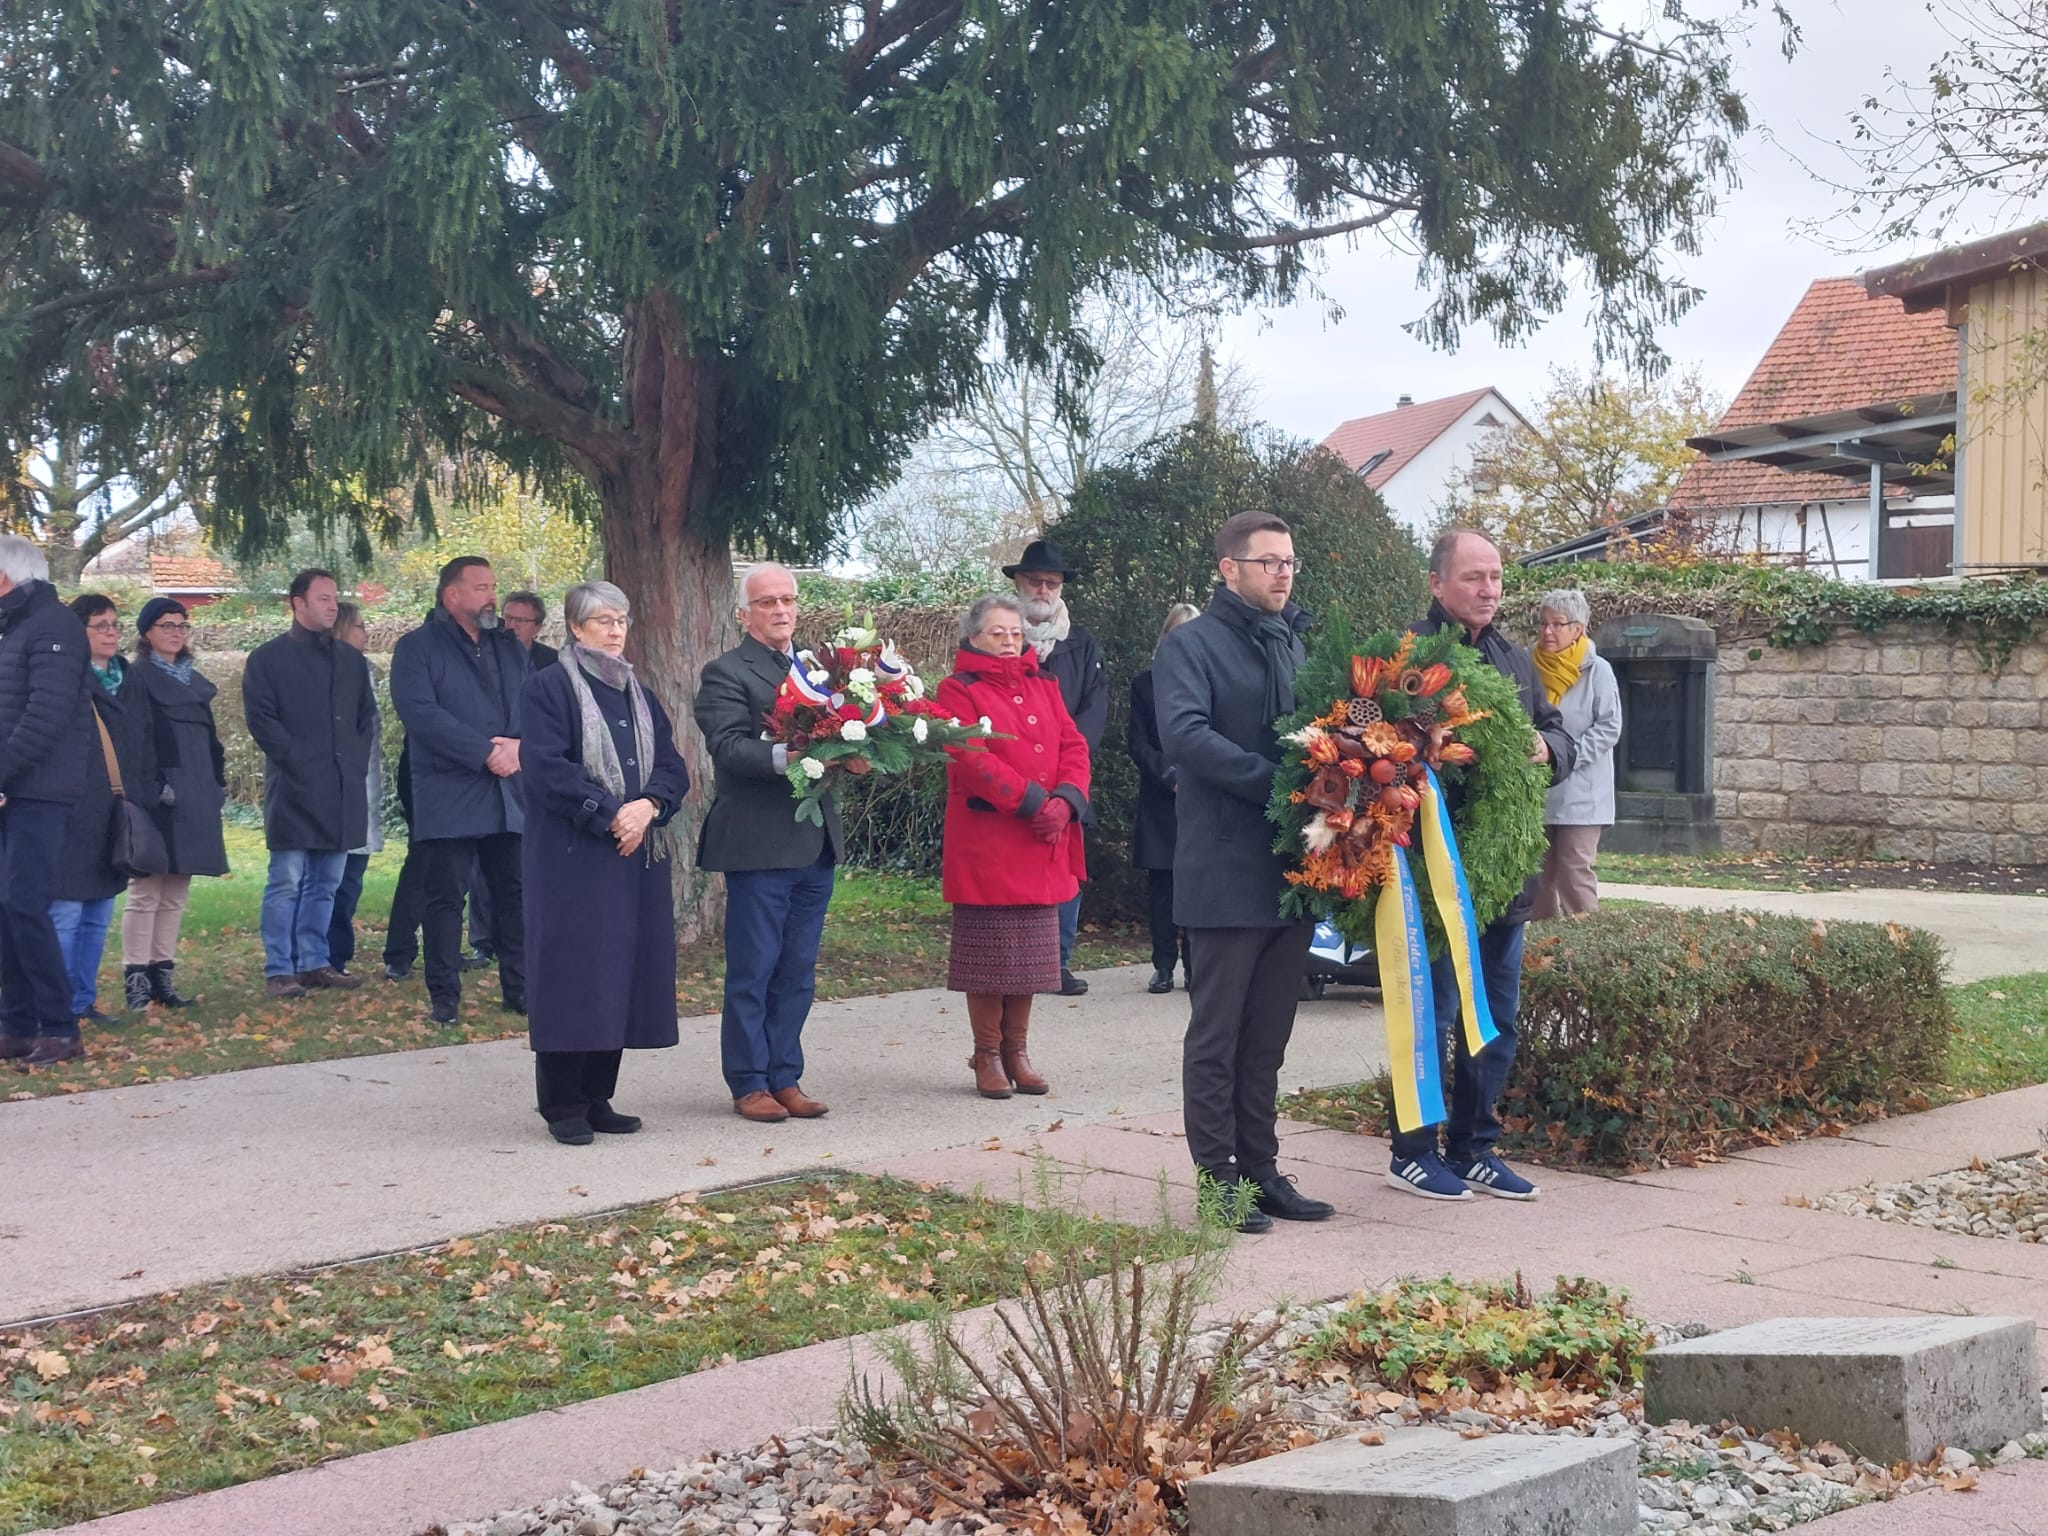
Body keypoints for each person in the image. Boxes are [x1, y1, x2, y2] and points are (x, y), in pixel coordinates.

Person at [1386, 530, 1576, 1203]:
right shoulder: (1407, 654)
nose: (1490, 589)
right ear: (1437, 583)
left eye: (1496, 576)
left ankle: (1474, 1148)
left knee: (1493, 1016)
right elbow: (1368, 738)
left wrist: (1546, 749)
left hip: (1504, 874)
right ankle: (1414, 1150)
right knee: (1433, 1015)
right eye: (1474, 577)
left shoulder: (1512, 659)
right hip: (1433, 873)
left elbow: (1559, 732)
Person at [1154, 511, 1331, 1233]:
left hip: (1291, 872)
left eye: (1290, 562)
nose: (1283, 573)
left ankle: (1261, 1171)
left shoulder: (1293, 642)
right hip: (1224, 869)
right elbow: (1186, 737)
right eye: (1269, 562)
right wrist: (1283, 784)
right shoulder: (1190, 646)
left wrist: (1372, 735)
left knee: (1268, 1037)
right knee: (1218, 1035)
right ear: (1229, 569)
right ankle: (1218, 1179)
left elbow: (1329, 725)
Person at [519, 581, 688, 1143]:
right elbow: (546, 769)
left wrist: (649, 806)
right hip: (574, 859)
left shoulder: (638, 692)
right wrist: (612, 813)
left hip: (633, 856)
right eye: (603, 621)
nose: (616, 631)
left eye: (621, 620)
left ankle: (598, 1097)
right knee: (574, 977)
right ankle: (562, 1105)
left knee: (618, 976)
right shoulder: (549, 688)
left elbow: (671, 764)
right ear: (574, 627)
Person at [693, 562, 838, 1124]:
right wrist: (798, 758)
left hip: (815, 841)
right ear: (744, 614)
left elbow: (846, 729)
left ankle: (786, 1076)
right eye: (767, 602)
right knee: (755, 968)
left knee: (798, 969)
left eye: (788, 599)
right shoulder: (726, 672)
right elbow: (729, 748)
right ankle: (749, 1082)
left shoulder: (820, 670)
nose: (781, 610)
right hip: (758, 843)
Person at [938, 594, 1090, 1099]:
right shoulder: (957, 689)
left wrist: (1066, 802)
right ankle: (985, 1055)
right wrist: (1032, 803)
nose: (1008, 641)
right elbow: (970, 759)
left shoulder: (1044, 684)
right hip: (991, 843)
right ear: (974, 637)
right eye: (997, 633)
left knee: (1029, 957)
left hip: (1044, 839)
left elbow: (1073, 745)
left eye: (1015, 633)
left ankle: (1017, 1052)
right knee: (989, 956)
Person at [389, 556, 530, 1024]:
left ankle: (521, 991)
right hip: (449, 789)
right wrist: (482, 751)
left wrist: (516, 746)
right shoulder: (417, 648)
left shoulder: (509, 648)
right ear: (452, 595)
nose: (492, 596)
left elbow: (534, 703)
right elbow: (421, 714)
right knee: (446, 897)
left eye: (493, 586)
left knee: (514, 894)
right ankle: (444, 999)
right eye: (481, 587)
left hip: (507, 792)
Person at [243, 570, 377, 997]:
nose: (332, 606)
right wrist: (299, 760)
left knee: (326, 883)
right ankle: (279, 968)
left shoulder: (350, 660)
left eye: (334, 598)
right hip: (296, 788)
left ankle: (315, 961)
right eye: (322, 598)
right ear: (297, 604)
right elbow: (262, 721)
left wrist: (352, 762)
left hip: (341, 787)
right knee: (286, 880)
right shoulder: (268, 660)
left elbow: (365, 718)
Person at [0, 537, 94, 1067]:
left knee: (26, 905)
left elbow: (45, 715)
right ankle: (16, 1025)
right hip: (14, 785)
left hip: (41, 788)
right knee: (8, 907)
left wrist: (3, 773)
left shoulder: (53, 626)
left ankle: (59, 1028)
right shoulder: (14, 627)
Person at [1003, 539, 1105, 996]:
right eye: (1035, 582)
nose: (1043, 590)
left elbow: (1093, 713)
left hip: (1068, 780)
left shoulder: (1081, 644)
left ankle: (1057, 963)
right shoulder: (998, 637)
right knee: (1012, 869)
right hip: (1011, 779)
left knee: (1066, 871)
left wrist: (1067, 776)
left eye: (1052, 583)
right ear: (1018, 584)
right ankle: (1016, 963)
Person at [49, 595, 154, 1030]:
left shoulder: (129, 680)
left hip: (115, 809)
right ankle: (55, 1006)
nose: (111, 632)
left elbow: (145, 743)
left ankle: (83, 1001)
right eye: (100, 625)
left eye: (114, 624)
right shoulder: (64, 679)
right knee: (66, 914)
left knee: (97, 915)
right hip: (72, 811)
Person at [123, 597, 229, 1011]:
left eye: (181, 625)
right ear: (147, 632)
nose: (175, 632)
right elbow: (132, 740)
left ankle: (161, 977)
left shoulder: (193, 681)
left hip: (196, 795)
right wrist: (152, 789)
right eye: (166, 625)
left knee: (175, 893)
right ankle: (136, 982)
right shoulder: (137, 678)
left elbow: (210, 741)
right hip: (158, 796)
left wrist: (217, 784)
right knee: (146, 892)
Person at [1530, 589, 1622, 920]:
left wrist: (1566, 756)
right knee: (1537, 877)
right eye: (1542, 623)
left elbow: (1609, 727)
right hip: (1537, 789)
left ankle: (1584, 950)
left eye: (1557, 624)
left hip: (1582, 791)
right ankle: (1540, 950)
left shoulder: (1598, 671)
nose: (1547, 632)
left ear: (1578, 629)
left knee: (1573, 871)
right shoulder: (1528, 665)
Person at [1128, 603, 1199, 995]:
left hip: (1201, 798)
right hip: (1160, 798)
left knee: (1195, 885)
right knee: (1162, 887)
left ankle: (1194, 966)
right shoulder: (1144, 684)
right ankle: (1162, 967)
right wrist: (1168, 775)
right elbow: (1136, 742)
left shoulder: (1211, 681)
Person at [326, 602, 384, 975]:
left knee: (351, 880)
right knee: (332, 881)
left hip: (366, 791)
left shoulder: (366, 671)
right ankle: (326, 954)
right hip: (338, 793)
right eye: (360, 626)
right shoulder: (331, 672)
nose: (367, 633)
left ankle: (337, 954)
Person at [502, 591, 559, 671]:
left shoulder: (553, 662)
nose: (511, 626)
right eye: (508, 618)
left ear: (537, 627)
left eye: (521, 620)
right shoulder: (488, 656)